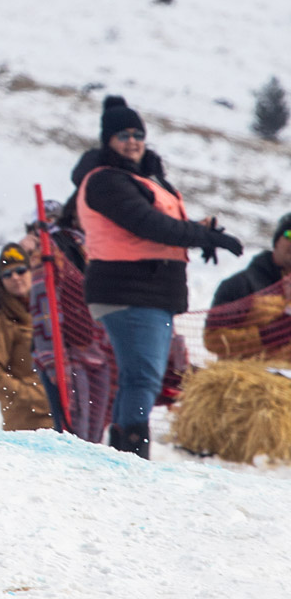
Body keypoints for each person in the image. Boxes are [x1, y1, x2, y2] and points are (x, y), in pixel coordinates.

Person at [73, 95, 243, 458]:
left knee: (139, 377)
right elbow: (149, 225)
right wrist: (204, 237)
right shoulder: (106, 181)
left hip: (150, 291)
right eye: (123, 135)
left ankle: (123, 453)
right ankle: (132, 455)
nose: (132, 140)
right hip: (129, 291)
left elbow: (160, 224)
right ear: (108, 141)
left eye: (138, 133)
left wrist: (197, 230)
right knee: (143, 377)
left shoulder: (145, 178)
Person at [18, 217, 114, 442]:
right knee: (72, 435)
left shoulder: (90, 250)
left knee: (89, 434)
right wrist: (23, 394)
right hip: (53, 368)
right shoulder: (48, 254)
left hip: (91, 351)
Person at [0, 245, 53, 431]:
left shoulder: (50, 312)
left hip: (64, 419)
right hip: (27, 426)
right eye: (7, 274)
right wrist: (31, 396)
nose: (15, 277)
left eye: (20, 270)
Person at [203, 211, 291, 362]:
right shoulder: (240, 284)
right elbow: (214, 340)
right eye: (289, 234)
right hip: (247, 380)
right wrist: (268, 335)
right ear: (276, 241)